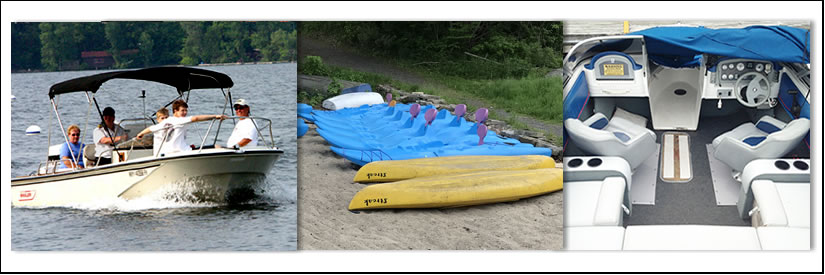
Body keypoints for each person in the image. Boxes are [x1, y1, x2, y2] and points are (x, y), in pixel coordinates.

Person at [136, 100, 226, 156]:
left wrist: (141, 134)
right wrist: (216, 116)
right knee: (216, 146)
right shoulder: (180, 120)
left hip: (165, 154)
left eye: (186, 110)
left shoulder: (163, 122)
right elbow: (196, 118)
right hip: (181, 152)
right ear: (175, 111)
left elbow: (150, 128)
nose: (185, 113)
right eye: (182, 110)